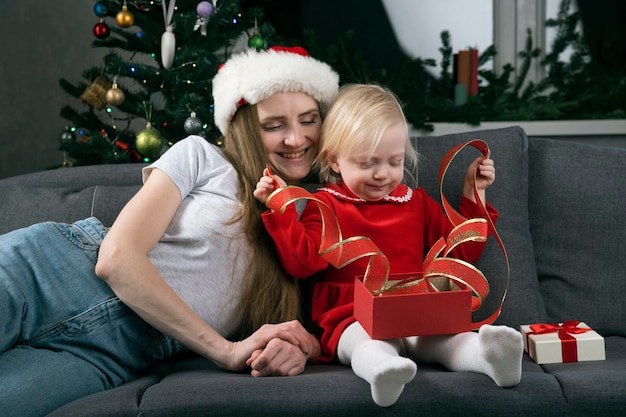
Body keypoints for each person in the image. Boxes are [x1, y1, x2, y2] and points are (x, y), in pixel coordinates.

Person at [0, 46, 339, 416]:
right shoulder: (203, 157)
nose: (296, 140)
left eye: (308, 120)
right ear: (245, 128)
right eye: (274, 125)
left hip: (115, 351)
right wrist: (226, 351)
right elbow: (116, 259)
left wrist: (302, 345)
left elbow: (332, 317)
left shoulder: (319, 213)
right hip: (52, 271)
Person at [254, 84, 524, 407]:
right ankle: (383, 371)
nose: (382, 174)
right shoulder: (325, 205)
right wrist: (282, 209)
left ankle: (488, 359)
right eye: (368, 163)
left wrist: (473, 194)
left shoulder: (416, 202)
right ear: (335, 160)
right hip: (351, 316)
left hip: (413, 309)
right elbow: (303, 263)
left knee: (447, 340)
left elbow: (458, 255)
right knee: (365, 343)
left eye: (394, 162)